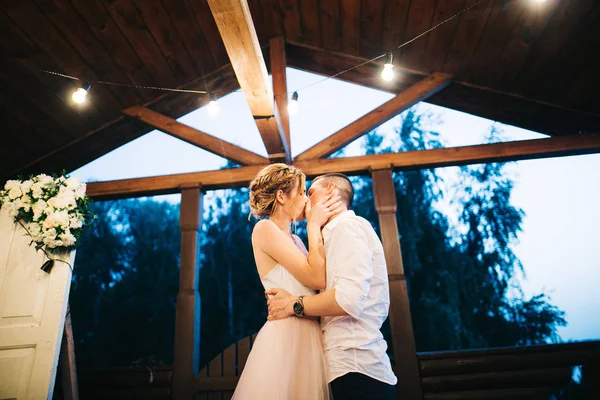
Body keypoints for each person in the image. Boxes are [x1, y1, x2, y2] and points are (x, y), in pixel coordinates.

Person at [267, 173, 398, 400]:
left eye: (309, 193)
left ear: (330, 190)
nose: (306, 201)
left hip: (357, 367)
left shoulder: (345, 227)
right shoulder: (335, 232)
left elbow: (349, 299)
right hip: (349, 367)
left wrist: (293, 305)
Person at [232, 164, 343, 400]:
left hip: (311, 333)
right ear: (281, 196)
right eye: (302, 192)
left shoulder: (297, 240)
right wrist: (313, 225)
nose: (306, 199)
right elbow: (316, 277)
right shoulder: (264, 229)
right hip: (287, 337)